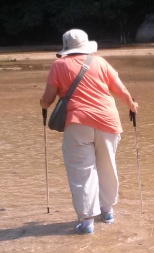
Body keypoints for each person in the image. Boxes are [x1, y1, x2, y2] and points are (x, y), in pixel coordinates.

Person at [40, 29, 138, 234]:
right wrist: (132, 106)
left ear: (66, 47)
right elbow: (121, 90)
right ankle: (107, 212)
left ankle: (86, 222)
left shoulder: (59, 65)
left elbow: (47, 100)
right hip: (108, 121)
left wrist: (42, 103)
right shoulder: (100, 62)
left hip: (77, 124)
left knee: (82, 172)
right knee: (107, 166)